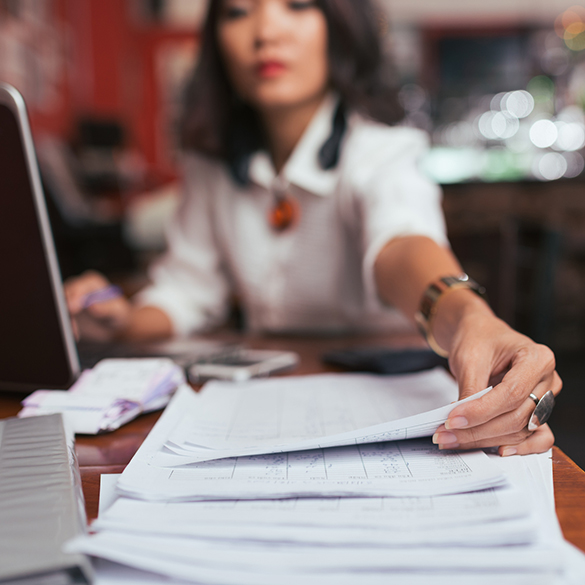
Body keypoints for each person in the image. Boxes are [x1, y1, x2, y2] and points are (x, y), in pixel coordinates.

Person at [65, 0, 561, 456]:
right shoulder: (211, 167)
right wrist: (121, 322)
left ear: (339, 30)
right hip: (263, 402)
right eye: (238, 12)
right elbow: (187, 289)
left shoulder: (381, 149)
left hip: (388, 397)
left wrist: (470, 318)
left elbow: (401, 246)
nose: (265, 31)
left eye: (298, 5)